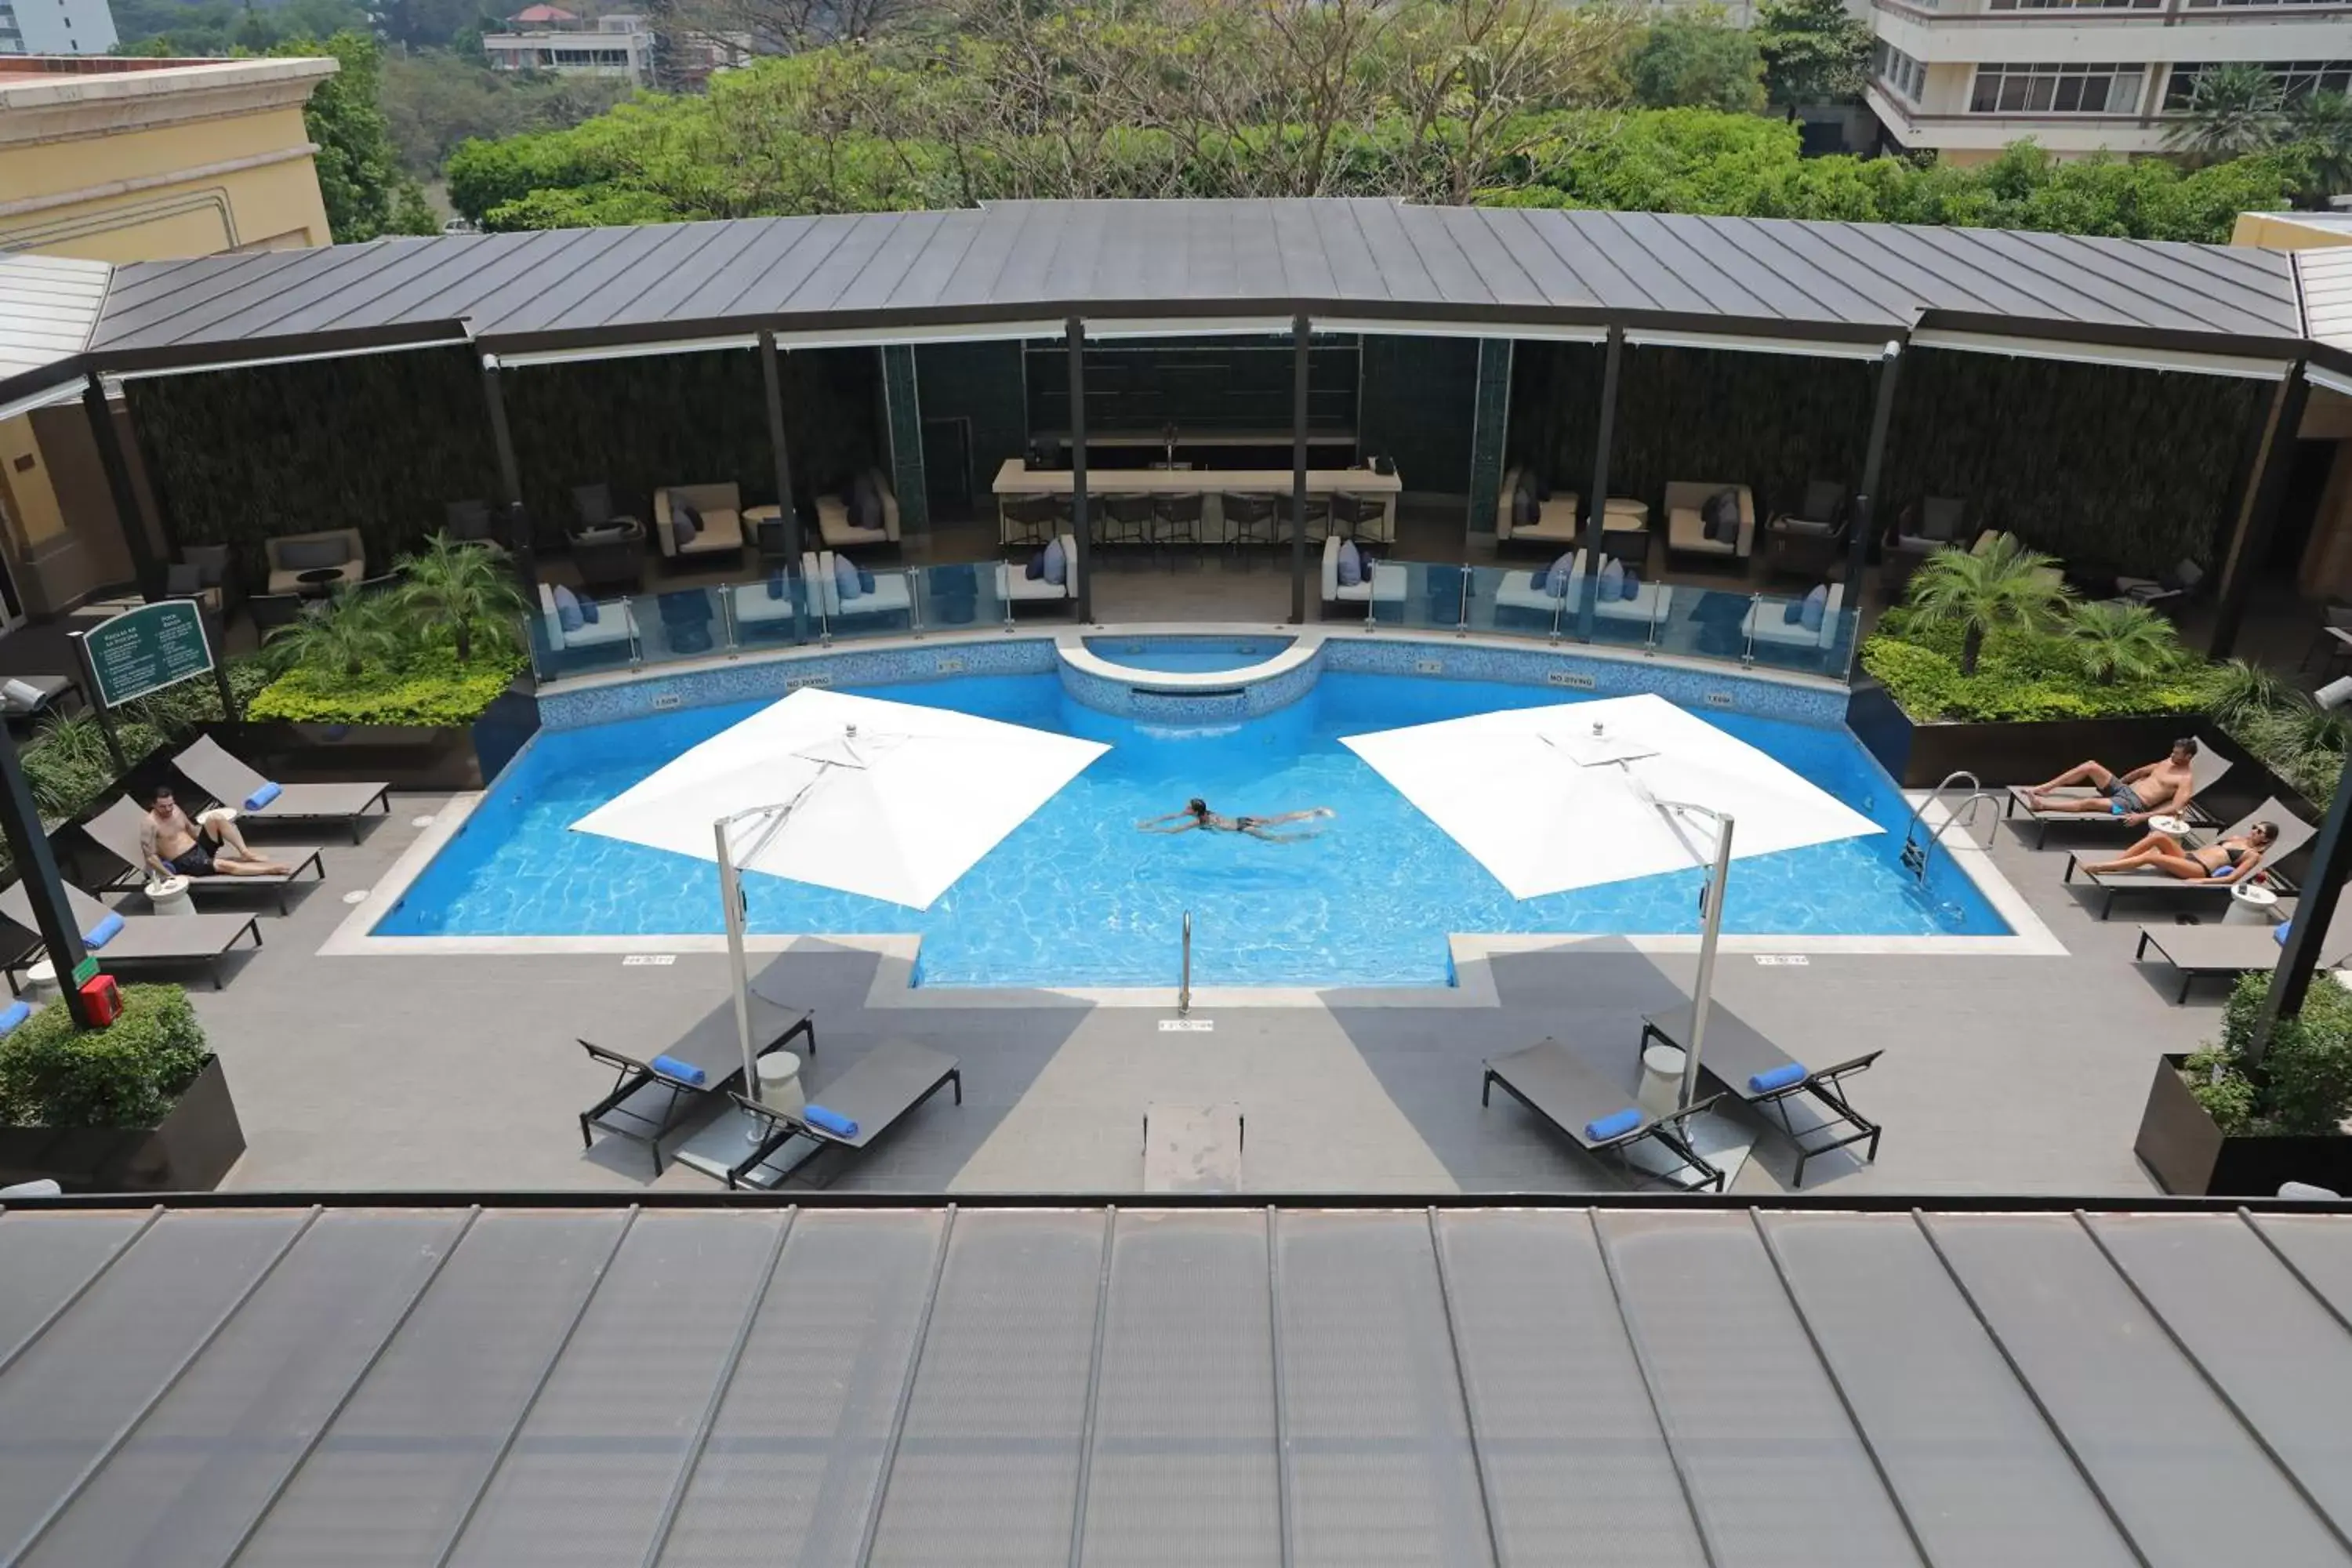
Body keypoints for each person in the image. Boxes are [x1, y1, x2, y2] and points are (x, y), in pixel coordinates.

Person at [2024, 738, 2199, 824]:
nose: (2172, 754)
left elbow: (2176, 808)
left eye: (2177, 753)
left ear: (2188, 757)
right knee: (2091, 766)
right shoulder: (2168, 761)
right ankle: (2045, 788)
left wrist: (2141, 817)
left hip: (2128, 806)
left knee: (2090, 802)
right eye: (2173, 751)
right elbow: (2141, 772)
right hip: (2122, 790)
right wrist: (2118, 782)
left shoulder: (2185, 780)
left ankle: (2043, 806)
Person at [139, 786, 292, 880]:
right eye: (163, 807)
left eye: (170, 805)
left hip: (198, 848)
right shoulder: (149, 824)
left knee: (215, 817)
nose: (168, 809)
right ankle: (270, 870)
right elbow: (151, 858)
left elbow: (191, 830)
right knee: (224, 865)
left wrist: (211, 835)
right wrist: (172, 877)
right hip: (185, 861)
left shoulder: (176, 810)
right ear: (153, 805)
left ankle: (245, 852)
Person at [2082, 821, 2277, 884]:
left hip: (2199, 869)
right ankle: (2119, 863)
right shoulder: (2235, 838)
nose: (2254, 831)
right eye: (2254, 827)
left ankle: (2101, 867)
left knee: (2152, 856)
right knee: (2158, 836)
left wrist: (2202, 881)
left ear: (2266, 840)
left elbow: (2232, 878)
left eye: (2259, 832)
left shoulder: (2254, 856)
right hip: (2189, 857)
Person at [1138, 797, 1334, 841]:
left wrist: (1151, 831)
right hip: (1243, 819)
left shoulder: (1200, 822)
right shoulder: (1206, 813)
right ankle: (1314, 812)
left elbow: (1174, 830)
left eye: (1188, 807)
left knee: (1276, 839)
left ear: (1194, 811)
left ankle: (1311, 835)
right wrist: (1151, 821)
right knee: (1276, 820)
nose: (1185, 809)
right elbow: (1173, 816)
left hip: (1242, 829)